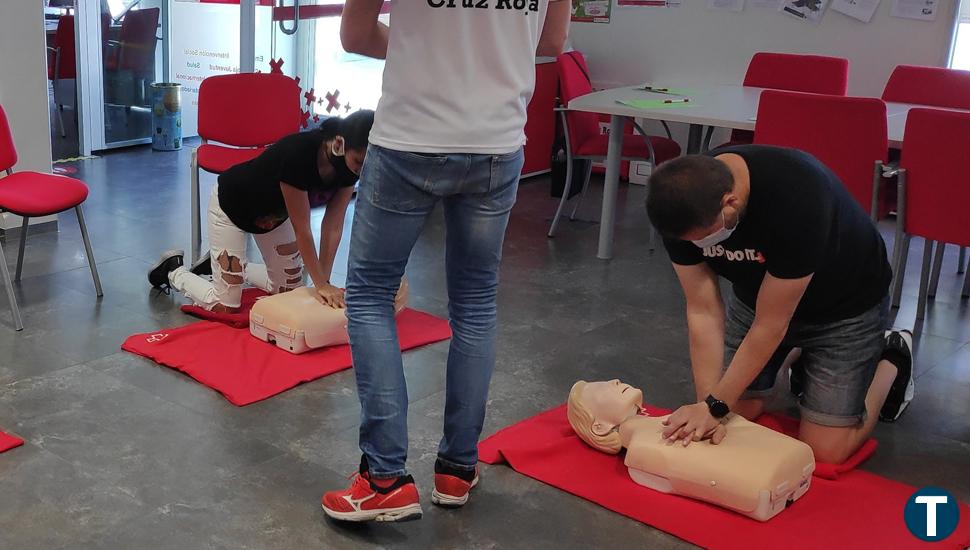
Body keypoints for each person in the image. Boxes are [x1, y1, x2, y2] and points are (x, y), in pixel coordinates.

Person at [320, 0, 572, 523]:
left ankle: (384, 477)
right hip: (497, 144)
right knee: (475, 305)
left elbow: (356, 34)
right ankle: (458, 466)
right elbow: (549, 43)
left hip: (411, 137)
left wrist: (425, 52)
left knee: (368, 297)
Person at [644, 145, 915, 466]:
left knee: (826, 452)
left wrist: (716, 407)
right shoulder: (681, 207)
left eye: (703, 238)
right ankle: (797, 354)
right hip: (758, 301)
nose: (696, 246)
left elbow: (771, 325)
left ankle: (893, 356)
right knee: (736, 414)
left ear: (730, 203)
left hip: (845, 310)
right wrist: (711, 405)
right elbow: (703, 310)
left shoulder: (797, 197)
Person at [148, 111, 375, 311]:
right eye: (359, 161)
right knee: (225, 305)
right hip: (232, 205)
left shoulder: (350, 168)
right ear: (339, 144)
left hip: (273, 217)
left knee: (289, 294)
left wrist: (324, 282)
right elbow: (302, 229)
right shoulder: (299, 154)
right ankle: (173, 270)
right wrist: (321, 285)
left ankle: (224, 266)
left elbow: (333, 227)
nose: (361, 169)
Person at [566, 379, 815, 522]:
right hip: (768, 482)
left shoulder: (669, 422)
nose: (615, 381)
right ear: (599, 427)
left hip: (779, 471)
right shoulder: (643, 448)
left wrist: (715, 411)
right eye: (600, 389)